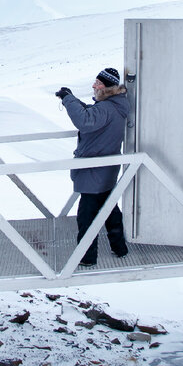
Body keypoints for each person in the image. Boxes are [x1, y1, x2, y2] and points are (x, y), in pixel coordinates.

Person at [56, 67, 130, 266]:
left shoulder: (106, 108)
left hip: (94, 169)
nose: (94, 85)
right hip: (105, 169)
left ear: (106, 87)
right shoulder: (115, 105)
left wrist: (68, 100)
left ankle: (87, 257)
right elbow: (91, 113)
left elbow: (85, 121)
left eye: (98, 83)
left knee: (87, 216)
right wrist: (72, 99)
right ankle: (119, 247)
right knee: (109, 208)